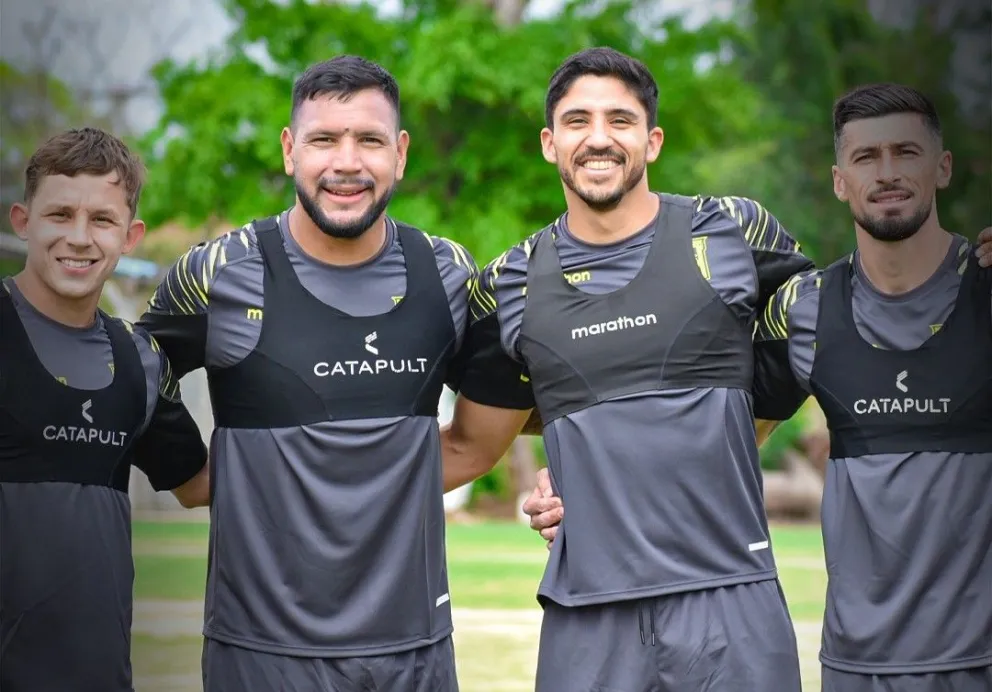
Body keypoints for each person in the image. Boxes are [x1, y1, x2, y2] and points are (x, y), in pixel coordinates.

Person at [525, 83, 992, 692]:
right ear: (839, 180)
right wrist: (579, 478)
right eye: (865, 157)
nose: (886, 173)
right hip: (856, 664)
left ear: (943, 167)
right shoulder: (809, 311)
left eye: (906, 152)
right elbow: (729, 425)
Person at [440, 47, 816, 692]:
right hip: (588, 612)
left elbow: (834, 338)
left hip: (731, 597)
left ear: (653, 140)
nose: (598, 138)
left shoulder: (732, 233)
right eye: (577, 120)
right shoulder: (510, 283)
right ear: (549, 144)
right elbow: (474, 443)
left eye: (620, 120)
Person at [136, 55, 509, 691]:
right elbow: (128, 371)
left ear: (401, 153)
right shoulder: (220, 273)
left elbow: (484, 434)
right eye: (324, 139)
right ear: (289, 150)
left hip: (413, 651)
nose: (347, 162)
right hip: (260, 653)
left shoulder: (446, 273)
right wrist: (189, 474)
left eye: (370, 140)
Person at [0, 127, 210, 691]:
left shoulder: (138, 360)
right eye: (59, 214)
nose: (79, 237)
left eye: (101, 220)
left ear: (130, 235)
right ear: (23, 221)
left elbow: (198, 485)